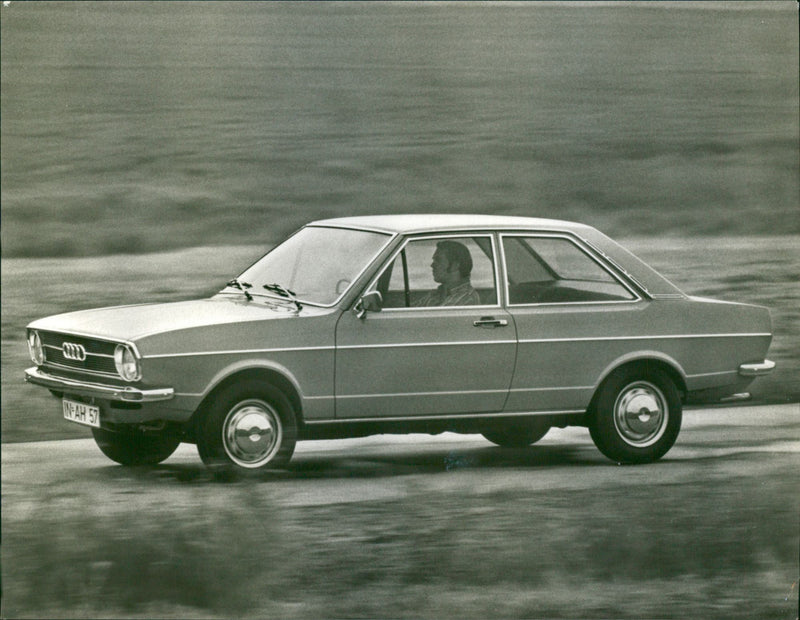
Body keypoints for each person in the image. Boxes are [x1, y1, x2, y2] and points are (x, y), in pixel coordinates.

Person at [413, 240, 481, 306]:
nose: (432, 265)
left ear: (455, 265)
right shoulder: (437, 294)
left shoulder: (466, 299)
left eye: (438, 260)